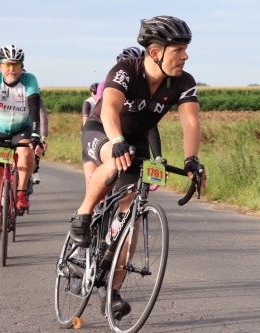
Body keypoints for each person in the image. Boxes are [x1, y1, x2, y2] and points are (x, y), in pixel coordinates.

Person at [72, 15, 206, 318]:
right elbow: (109, 108)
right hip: (103, 131)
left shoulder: (183, 82)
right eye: (178, 50)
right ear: (156, 52)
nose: (185, 56)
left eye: (186, 49)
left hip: (137, 141)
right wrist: (117, 140)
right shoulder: (125, 71)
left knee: (131, 220)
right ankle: (82, 216)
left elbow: (190, 121)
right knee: (112, 163)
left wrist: (191, 160)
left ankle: (113, 291)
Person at [0, 44, 44, 249]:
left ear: (22, 67)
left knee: (25, 149)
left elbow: (34, 106)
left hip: (21, 129)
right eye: (7, 64)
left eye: (16, 65)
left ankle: (21, 191)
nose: (11, 69)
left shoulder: (29, 80)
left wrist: (36, 134)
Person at [82, 47, 163, 189]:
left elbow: (150, 126)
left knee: (131, 190)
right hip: (104, 132)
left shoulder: (144, 88)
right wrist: (117, 142)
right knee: (110, 167)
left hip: (131, 138)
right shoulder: (106, 84)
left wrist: (157, 158)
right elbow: (107, 111)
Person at [31, 97, 49, 184]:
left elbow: (43, 118)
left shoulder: (37, 100)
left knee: (37, 144)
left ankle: (35, 170)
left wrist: (43, 138)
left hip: (33, 128)